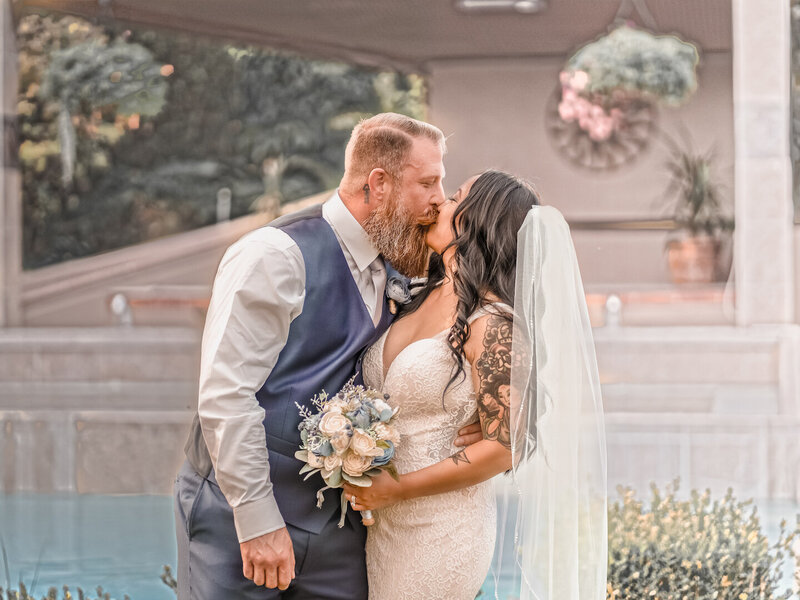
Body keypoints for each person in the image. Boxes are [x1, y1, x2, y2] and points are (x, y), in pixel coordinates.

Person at [172, 113, 484, 599]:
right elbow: (225, 396)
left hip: (343, 527)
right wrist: (256, 521)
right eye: (427, 182)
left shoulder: (404, 260)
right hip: (239, 515)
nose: (439, 198)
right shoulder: (276, 255)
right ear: (378, 184)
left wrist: (480, 417)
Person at [344, 170, 608, 600]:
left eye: (455, 197)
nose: (439, 203)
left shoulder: (493, 323)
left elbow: (505, 446)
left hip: (443, 528)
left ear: (475, 222)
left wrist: (396, 489)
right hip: (383, 525)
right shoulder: (417, 294)